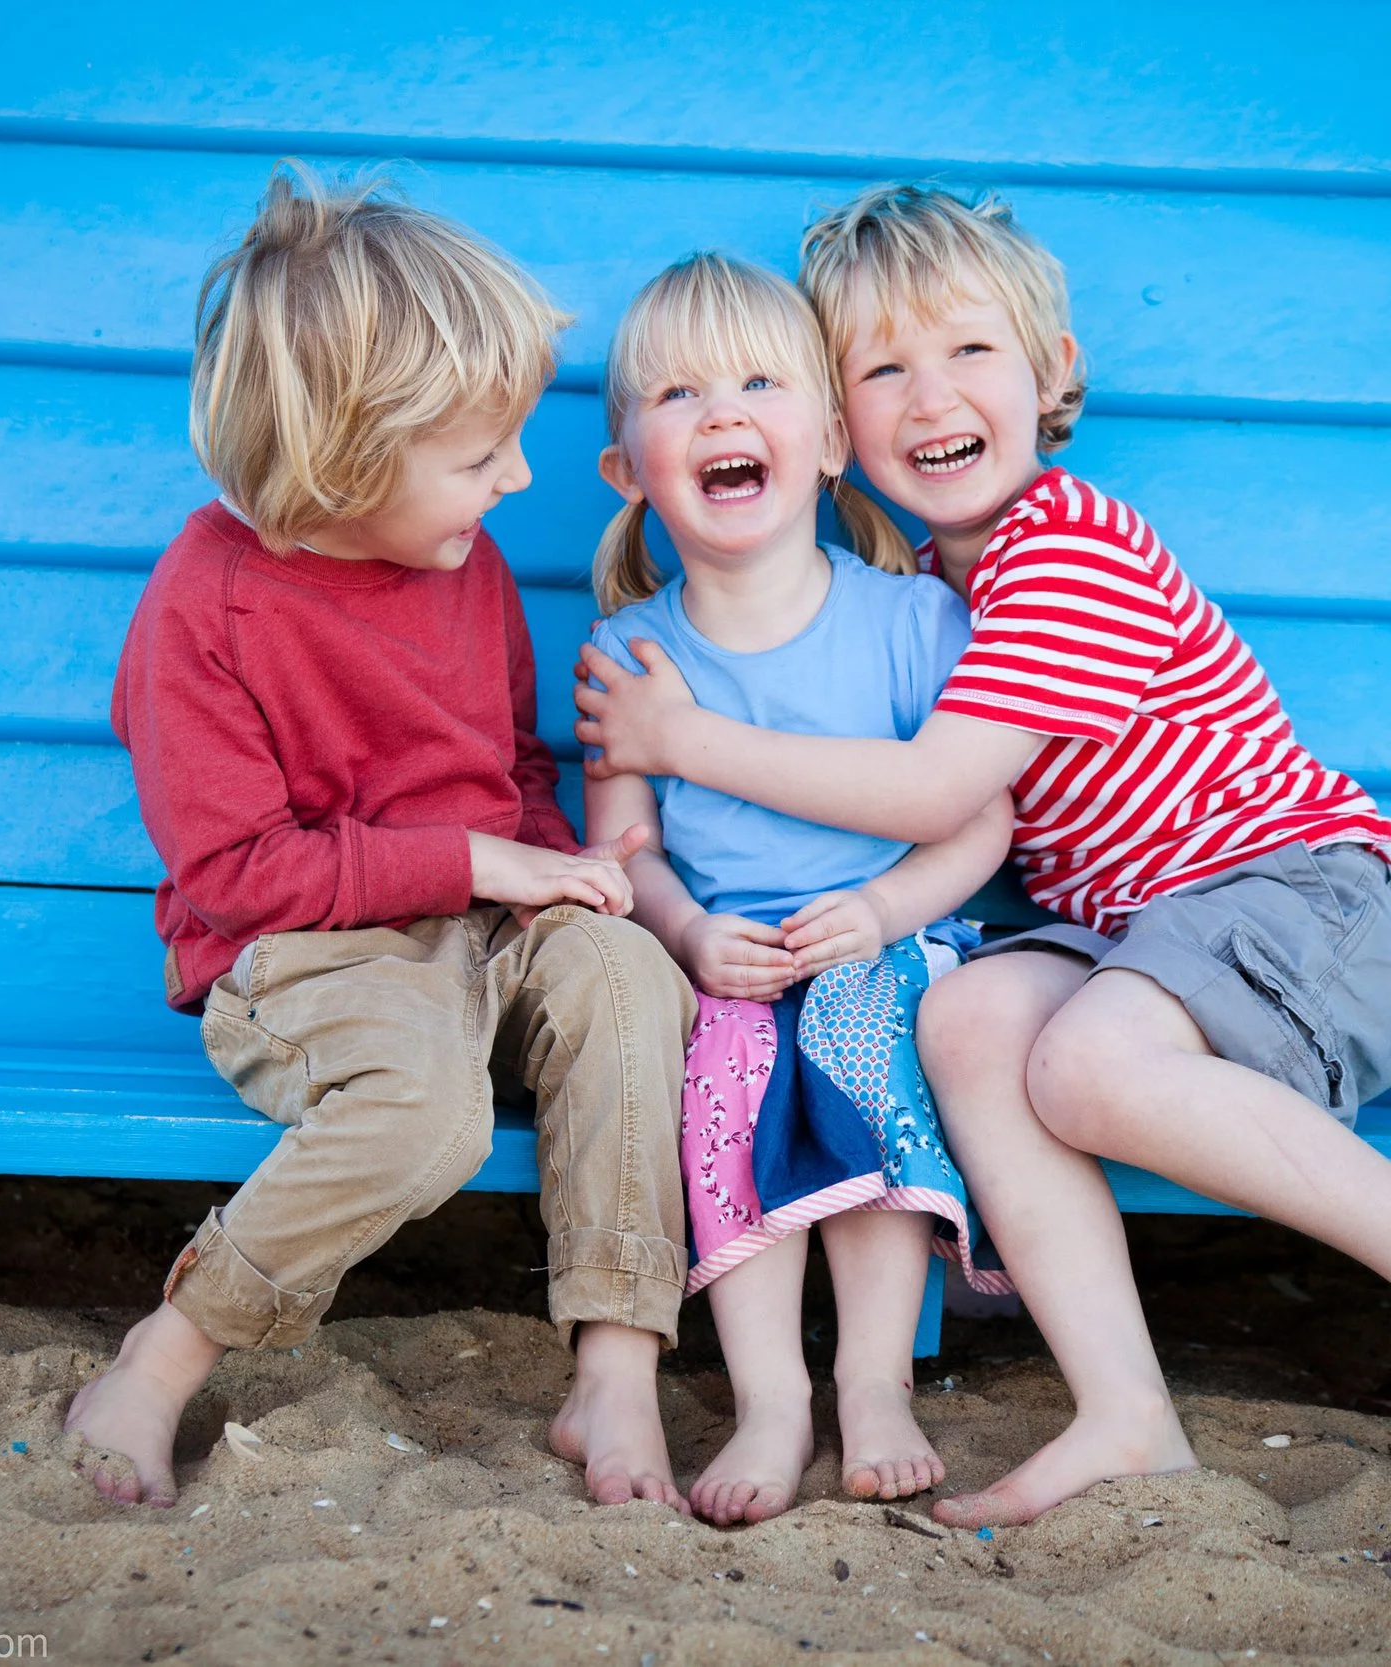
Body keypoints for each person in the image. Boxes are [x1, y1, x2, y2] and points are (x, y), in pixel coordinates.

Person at [575, 185, 1391, 1528]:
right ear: (846, 425)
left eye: (967, 352)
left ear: (1052, 372)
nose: (927, 394)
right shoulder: (944, 593)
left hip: (1289, 895)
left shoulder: (1063, 546)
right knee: (964, 1020)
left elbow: (941, 785)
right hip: (1144, 938)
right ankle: (1125, 1408)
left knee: (1079, 1060)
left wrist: (688, 737)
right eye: (884, 366)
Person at [67, 168, 695, 1511]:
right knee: (428, 1111)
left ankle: (619, 1364)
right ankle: (162, 1354)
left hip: (485, 927)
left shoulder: (458, 567)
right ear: (342, 460)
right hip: (304, 954)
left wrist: (550, 869)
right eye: (479, 457)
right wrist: (479, 861)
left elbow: (511, 762)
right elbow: (236, 876)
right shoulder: (207, 610)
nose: (518, 478)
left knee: (636, 976)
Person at [581, 253, 1014, 1526]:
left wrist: (883, 912)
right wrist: (687, 927)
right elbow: (625, 846)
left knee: (856, 1039)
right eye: (679, 393)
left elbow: (977, 819)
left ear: (830, 441)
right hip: (734, 959)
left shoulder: (906, 622)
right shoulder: (626, 653)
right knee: (719, 1077)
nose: (721, 412)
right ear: (628, 470)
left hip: (888, 939)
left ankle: (874, 1380)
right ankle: (771, 1394)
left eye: (760, 382)